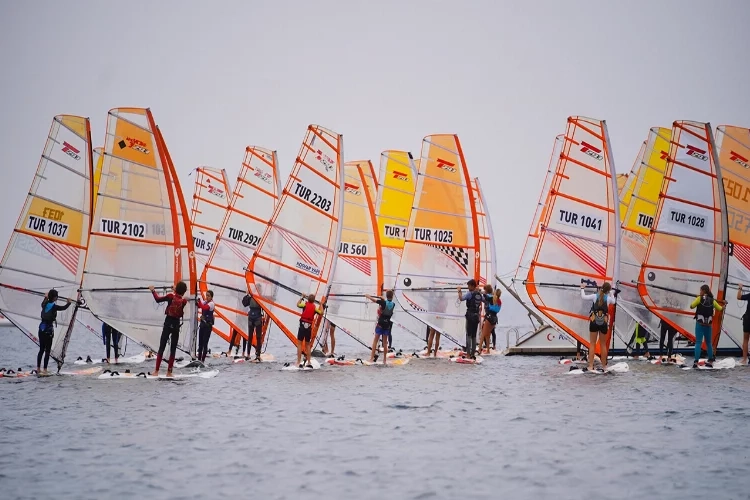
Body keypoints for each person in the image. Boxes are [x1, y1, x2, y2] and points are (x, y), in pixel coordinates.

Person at [149, 282, 188, 377]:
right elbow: (179, 296)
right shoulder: (184, 301)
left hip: (168, 323)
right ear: (184, 292)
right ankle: (169, 372)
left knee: (162, 347)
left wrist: (153, 290)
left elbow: (158, 300)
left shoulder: (170, 296)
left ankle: (156, 371)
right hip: (176, 325)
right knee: (173, 349)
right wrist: (176, 290)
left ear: (176, 289)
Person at [580, 281, 615, 372]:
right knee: (603, 345)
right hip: (603, 323)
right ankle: (604, 366)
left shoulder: (594, 296)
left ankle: (590, 366)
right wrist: (612, 293)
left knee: (592, 344)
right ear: (608, 290)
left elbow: (583, 297)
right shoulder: (609, 299)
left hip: (594, 322)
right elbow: (614, 301)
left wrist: (582, 288)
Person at [37, 289, 71, 374]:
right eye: (57, 296)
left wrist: (45, 296)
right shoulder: (54, 306)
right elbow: (63, 308)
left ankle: (38, 368)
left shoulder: (44, 304)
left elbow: (45, 300)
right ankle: (44, 370)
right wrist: (69, 302)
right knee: (47, 351)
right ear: (55, 297)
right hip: (48, 331)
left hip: (41, 329)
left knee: (41, 350)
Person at [689, 284, 724, 368]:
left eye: (700, 290)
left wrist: (697, 299)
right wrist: (724, 305)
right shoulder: (712, 300)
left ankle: (696, 361)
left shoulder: (699, 298)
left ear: (703, 291)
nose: (700, 292)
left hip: (699, 324)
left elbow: (691, 306)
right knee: (708, 343)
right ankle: (711, 360)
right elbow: (720, 309)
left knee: (698, 342)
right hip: (708, 325)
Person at [366, 290, 396, 365]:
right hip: (387, 324)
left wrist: (368, 296)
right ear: (392, 296)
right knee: (385, 343)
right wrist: (383, 299)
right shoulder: (393, 304)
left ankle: (371, 358)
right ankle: (384, 360)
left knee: (375, 340)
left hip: (380, 324)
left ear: (386, 296)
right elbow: (387, 303)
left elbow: (374, 300)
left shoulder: (383, 302)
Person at [457, 279, 483, 359]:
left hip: (470, 316)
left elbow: (461, 298)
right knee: (474, 336)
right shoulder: (479, 294)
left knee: (468, 335)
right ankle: (473, 354)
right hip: (476, 317)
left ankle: (468, 354)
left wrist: (459, 291)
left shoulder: (469, 294)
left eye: (468, 286)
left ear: (472, 286)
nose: (468, 288)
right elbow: (484, 301)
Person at [296, 294, 322, 368]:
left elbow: (298, 304)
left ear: (308, 300)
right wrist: (321, 305)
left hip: (302, 326)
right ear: (313, 301)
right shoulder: (314, 308)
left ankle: (298, 361)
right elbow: (321, 313)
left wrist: (302, 297)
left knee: (299, 344)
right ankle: (309, 362)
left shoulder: (304, 305)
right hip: (308, 328)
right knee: (308, 345)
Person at [243, 292, 264, 361]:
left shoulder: (260, 298)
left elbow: (266, 304)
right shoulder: (250, 297)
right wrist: (247, 295)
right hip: (251, 317)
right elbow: (244, 303)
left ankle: (258, 355)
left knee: (258, 337)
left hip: (258, 317)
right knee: (250, 337)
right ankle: (248, 354)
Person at [478, 285, 499, 354]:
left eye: (485, 290)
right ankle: (488, 350)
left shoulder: (490, 297)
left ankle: (479, 349)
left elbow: (485, 297)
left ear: (487, 290)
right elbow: (483, 299)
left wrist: (480, 292)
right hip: (493, 318)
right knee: (488, 334)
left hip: (490, 317)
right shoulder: (491, 297)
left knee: (483, 334)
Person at [196, 290, 215, 363]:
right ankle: (198, 360)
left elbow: (204, 308)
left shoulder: (211, 304)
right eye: (206, 295)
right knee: (200, 343)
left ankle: (202, 361)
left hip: (208, 326)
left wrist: (199, 302)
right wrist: (196, 301)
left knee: (205, 344)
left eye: (208, 296)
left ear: (211, 297)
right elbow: (199, 305)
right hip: (202, 325)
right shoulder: (205, 302)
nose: (207, 297)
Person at [736, 284, 750, 364]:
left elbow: (738, 297)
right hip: (748, 319)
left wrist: (740, 288)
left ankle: (744, 359)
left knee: (745, 340)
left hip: (748, 319)